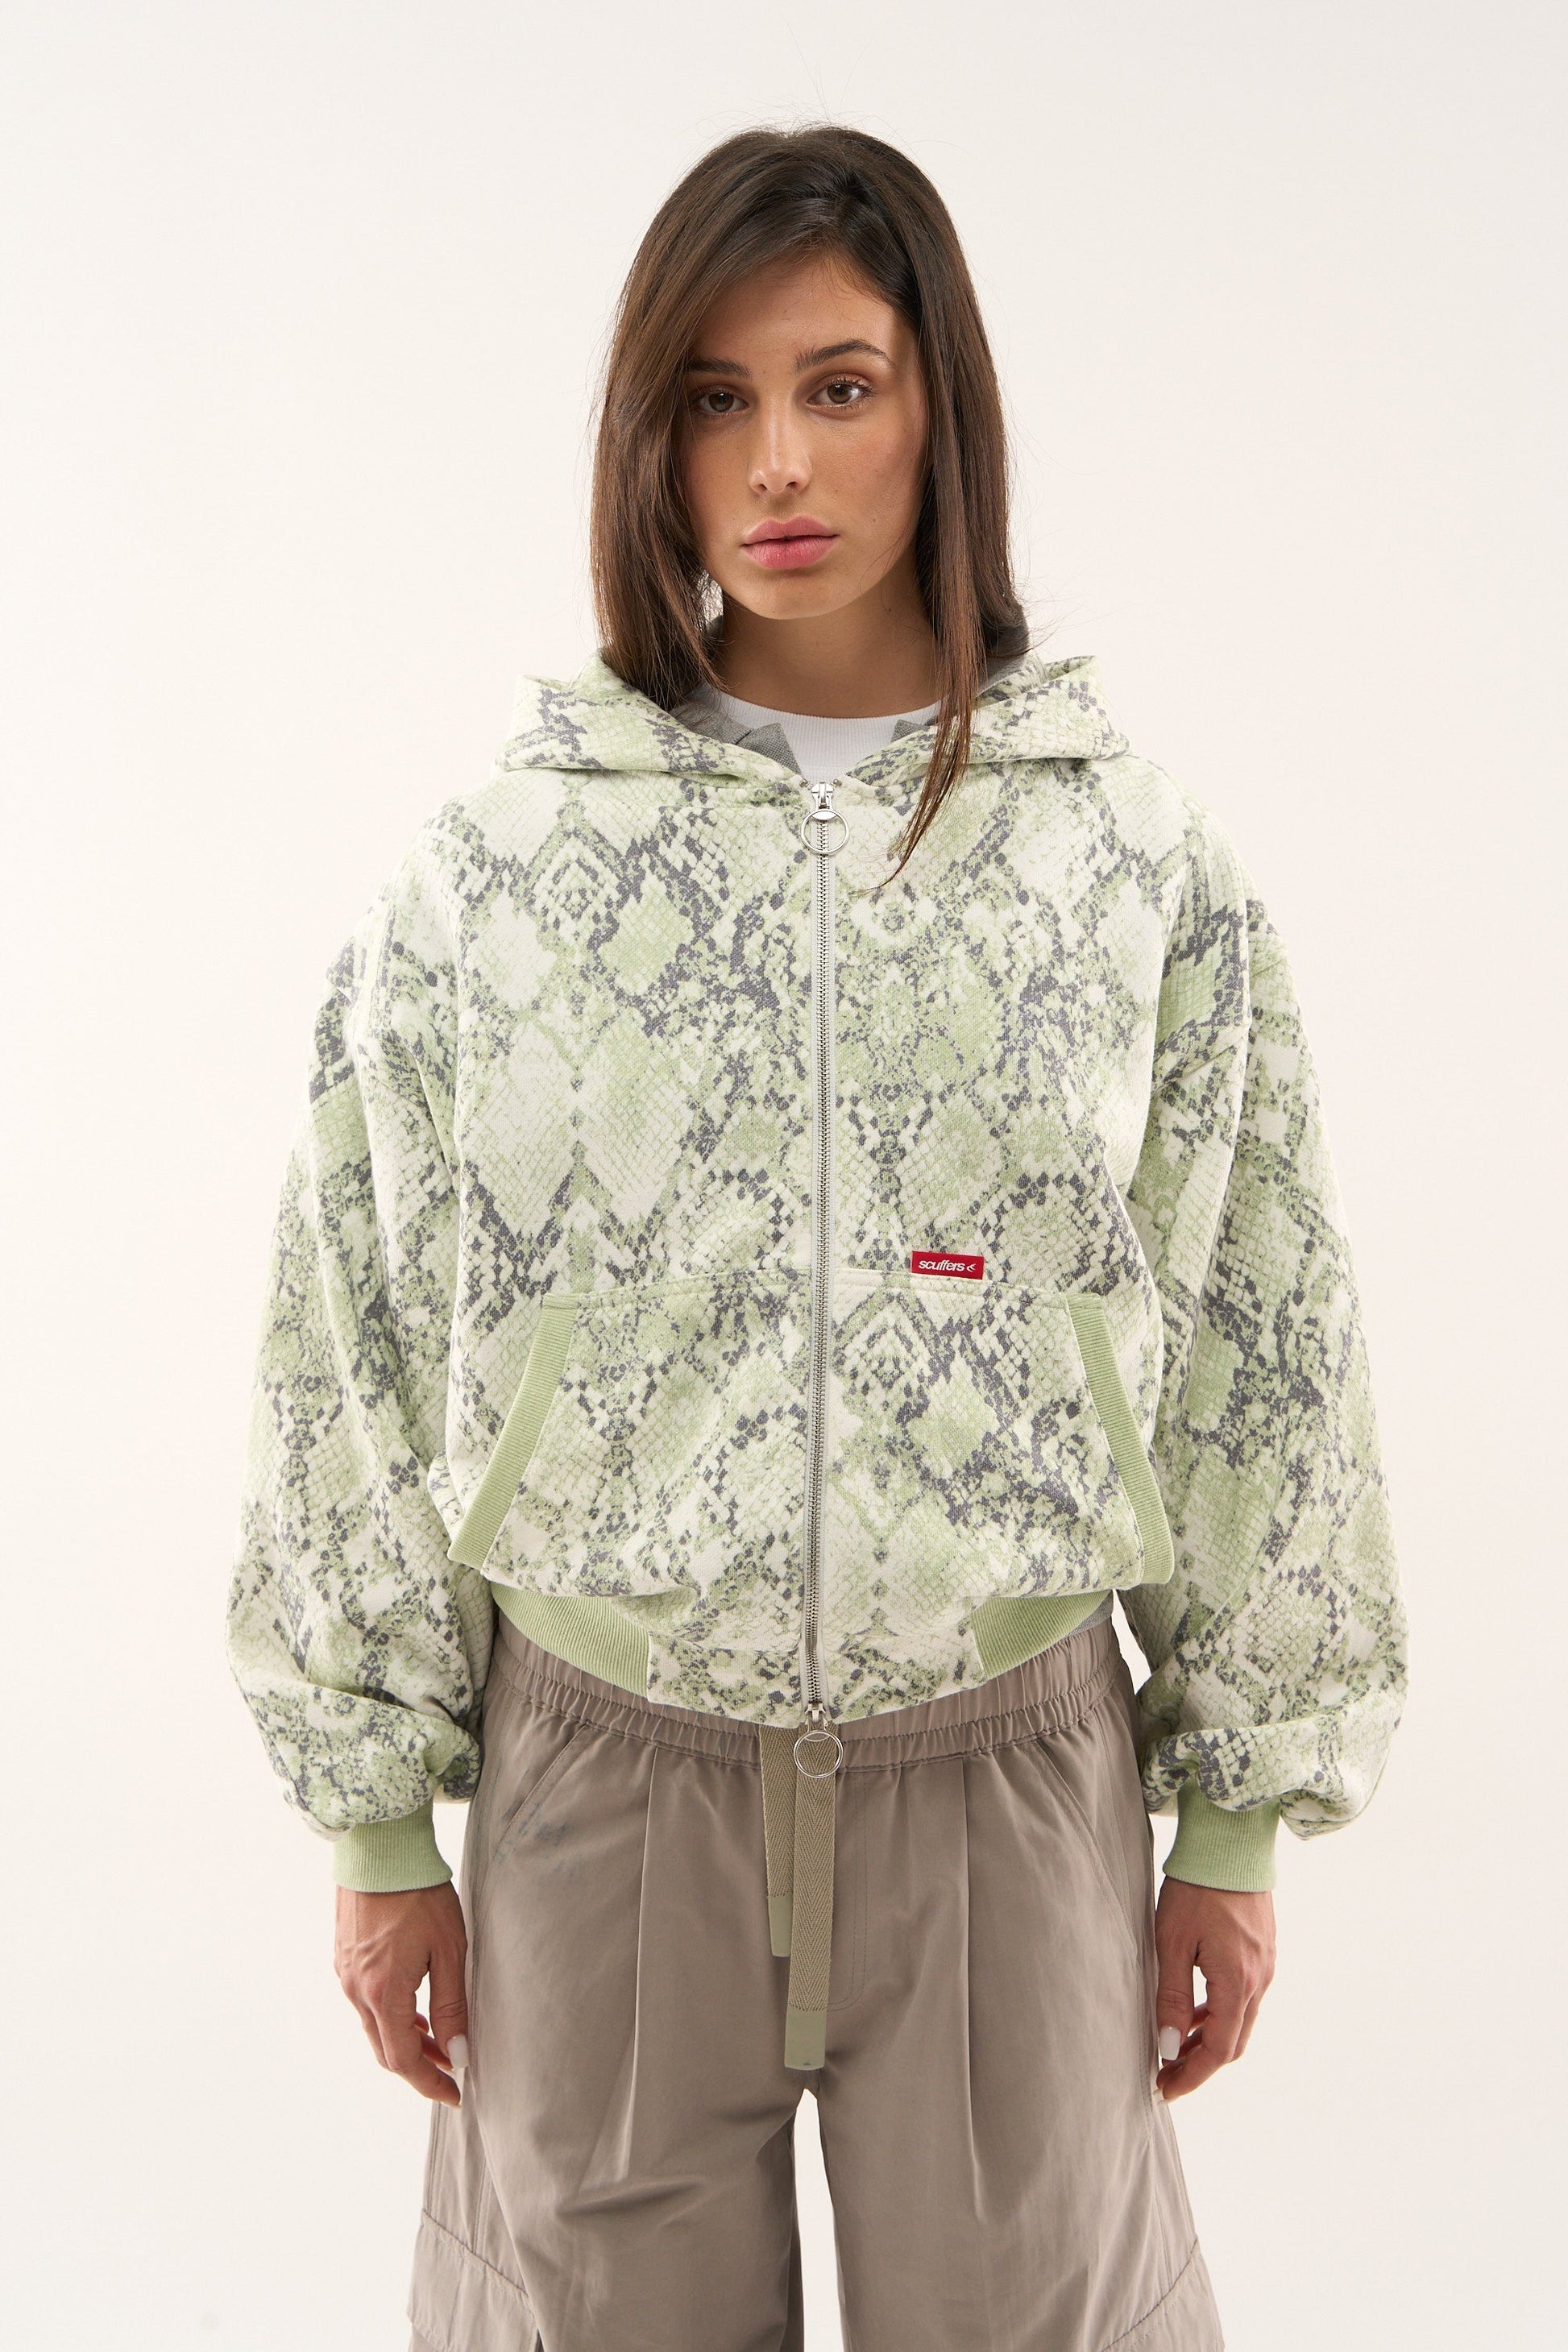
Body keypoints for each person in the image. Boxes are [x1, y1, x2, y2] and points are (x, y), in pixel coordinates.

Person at [226, 124, 1408, 2352]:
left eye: (839, 386)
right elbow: (351, 1332)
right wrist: (378, 1828)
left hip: (1006, 1771)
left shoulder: (1128, 865)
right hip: (601, 1773)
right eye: (712, 397)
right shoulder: (498, 872)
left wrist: (1236, 1818)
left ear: (940, 409)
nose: (774, 461)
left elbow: (1262, 1327)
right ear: (645, 439)